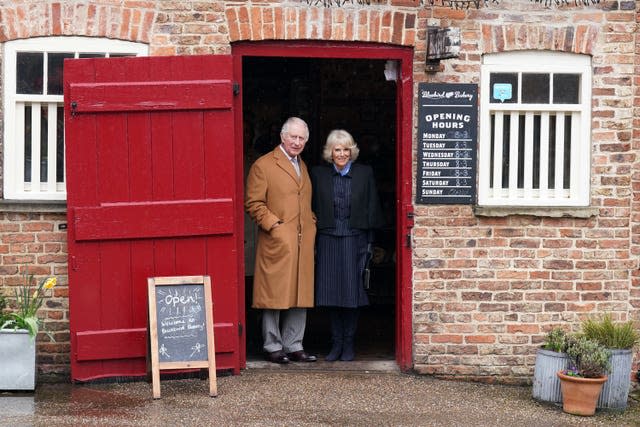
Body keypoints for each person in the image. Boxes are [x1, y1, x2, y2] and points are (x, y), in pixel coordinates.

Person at [245, 117, 317, 364]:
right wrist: (274, 226)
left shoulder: (302, 165)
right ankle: (273, 345)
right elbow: (254, 203)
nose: (297, 142)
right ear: (282, 137)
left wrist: (311, 222)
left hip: (302, 240)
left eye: (301, 139)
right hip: (278, 240)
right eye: (293, 137)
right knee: (273, 294)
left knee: (300, 293)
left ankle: (294, 344)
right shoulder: (263, 165)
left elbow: (303, 202)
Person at [311, 129, 384, 361]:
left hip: (356, 240)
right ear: (330, 152)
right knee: (331, 294)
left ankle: (349, 344)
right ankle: (336, 344)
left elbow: (372, 206)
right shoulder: (318, 174)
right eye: (337, 149)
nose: (341, 154)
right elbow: (310, 207)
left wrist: (371, 242)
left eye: (345, 149)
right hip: (327, 239)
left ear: (351, 151)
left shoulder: (364, 173)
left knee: (352, 294)